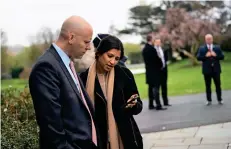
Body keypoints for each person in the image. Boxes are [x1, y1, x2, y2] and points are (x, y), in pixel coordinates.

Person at [29, 16, 99, 149]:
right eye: (86, 42)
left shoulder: (66, 63)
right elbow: (51, 128)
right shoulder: (46, 68)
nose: (89, 47)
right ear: (71, 37)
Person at [80, 35, 143, 149]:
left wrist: (133, 105)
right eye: (110, 56)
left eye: (117, 59)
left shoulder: (124, 74)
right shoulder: (83, 78)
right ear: (98, 53)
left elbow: (138, 106)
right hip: (98, 139)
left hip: (125, 138)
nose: (113, 62)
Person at [142, 34, 170, 110]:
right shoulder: (152, 49)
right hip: (155, 72)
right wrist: (161, 64)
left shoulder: (144, 49)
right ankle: (158, 105)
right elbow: (157, 60)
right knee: (156, 88)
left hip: (149, 72)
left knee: (150, 88)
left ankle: (151, 104)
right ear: (151, 39)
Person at [197, 34, 224, 105]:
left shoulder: (217, 47)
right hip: (207, 70)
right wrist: (205, 56)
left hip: (216, 70)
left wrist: (216, 55)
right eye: (207, 39)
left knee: (218, 85)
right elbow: (198, 57)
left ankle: (219, 99)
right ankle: (209, 100)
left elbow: (222, 57)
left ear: (212, 39)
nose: (209, 40)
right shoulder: (201, 48)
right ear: (205, 40)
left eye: (210, 39)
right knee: (208, 86)